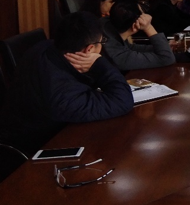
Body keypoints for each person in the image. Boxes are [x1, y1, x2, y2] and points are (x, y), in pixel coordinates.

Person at [0, 12, 133, 157]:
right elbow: (122, 100)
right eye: (102, 42)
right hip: (40, 150)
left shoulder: (46, 47)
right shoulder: (62, 92)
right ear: (89, 50)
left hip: (47, 127)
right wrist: (99, 64)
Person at [102, 0, 176, 71]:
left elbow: (129, 47)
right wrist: (148, 27)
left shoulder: (106, 24)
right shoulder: (118, 55)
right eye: (143, 15)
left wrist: (163, 47)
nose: (145, 16)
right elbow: (167, 58)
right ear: (135, 26)